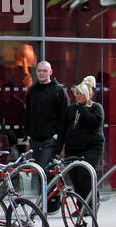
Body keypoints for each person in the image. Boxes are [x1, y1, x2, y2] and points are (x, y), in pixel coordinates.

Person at [58, 75, 104, 204]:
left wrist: (83, 110)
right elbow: (63, 129)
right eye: (76, 93)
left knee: (84, 174)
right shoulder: (71, 110)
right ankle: (81, 205)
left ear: (87, 94)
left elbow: (94, 124)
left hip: (91, 148)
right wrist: (59, 148)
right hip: (73, 148)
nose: (77, 96)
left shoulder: (96, 108)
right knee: (75, 177)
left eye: (80, 93)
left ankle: (92, 203)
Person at [23, 60, 68, 170]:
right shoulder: (32, 91)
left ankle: (48, 188)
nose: (41, 73)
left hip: (51, 138)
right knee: (38, 170)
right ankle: (44, 188)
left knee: (44, 168)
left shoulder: (58, 90)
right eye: (39, 71)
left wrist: (57, 134)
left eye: (44, 71)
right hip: (34, 138)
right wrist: (28, 134)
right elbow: (28, 112)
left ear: (51, 72)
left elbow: (65, 115)